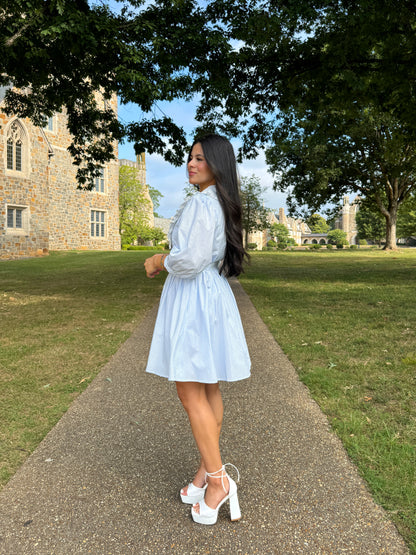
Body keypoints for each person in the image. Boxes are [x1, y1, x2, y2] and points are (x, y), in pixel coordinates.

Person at [144, 134, 251, 525]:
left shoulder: (203, 204)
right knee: (207, 386)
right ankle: (206, 472)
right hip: (206, 296)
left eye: (201, 159)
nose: (191, 164)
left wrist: (159, 259)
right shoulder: (216, 202)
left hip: (195, 299)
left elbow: (189, 259)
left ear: (218, 164)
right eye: (190, 158)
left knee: (190, 390)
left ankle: (220, 481)